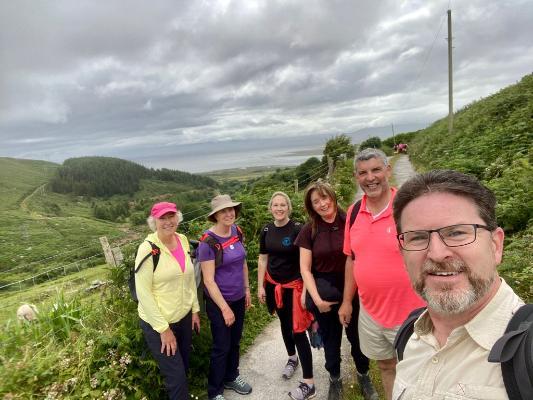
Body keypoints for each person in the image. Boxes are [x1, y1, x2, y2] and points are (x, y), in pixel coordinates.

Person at [391, 170, 525, 399]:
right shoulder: (410, 337)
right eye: (418, 237)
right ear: (403, 254)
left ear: (496, 245)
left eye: (456, 232)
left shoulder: (527, 354)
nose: (436, 253)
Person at [338, 148, 425, 400]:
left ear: (387, 170)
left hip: (411, 313)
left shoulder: (407, 208)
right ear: (356, 177)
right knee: (386, 366)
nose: (370, 177)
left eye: (376, 169)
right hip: (371, 313)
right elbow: (351, 259)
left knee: (417, 372)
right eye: (363, 173)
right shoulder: (353, 212)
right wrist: (346, 302)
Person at [295, 181, 378, 400]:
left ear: (332, 196)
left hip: (354, 288)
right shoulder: (308, 230)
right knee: (331, 340)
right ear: (311, 206)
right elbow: (305, 269)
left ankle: (363, 374)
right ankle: (335, 379)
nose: (322, 204)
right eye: (316, 201)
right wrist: (316, 300)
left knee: (357, 337)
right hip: (325, 292)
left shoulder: (351, 221)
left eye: (324, 197)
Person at [135, 202, 201, 400]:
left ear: (178, 217)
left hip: (184, 316)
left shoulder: (182, 240)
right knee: (176, 377)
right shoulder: (147, 249)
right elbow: (143, 294)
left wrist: (195, 310)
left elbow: (189, 279)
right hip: (159, 324)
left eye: (171, 216)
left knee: (184, 366)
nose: (168, 222)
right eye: (162, 218)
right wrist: (164, 330)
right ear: (153, 221)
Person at [257, 191, 315, 400]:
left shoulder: (299, 229)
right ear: (270, 208)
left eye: (283, 205)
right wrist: (260, 287)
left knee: (298, 330)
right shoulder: (266, 229)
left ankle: (308, 381)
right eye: (275, 205)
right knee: (283, 324)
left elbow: (307, 264)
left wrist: (306, 292)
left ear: (288, 208)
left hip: (295, 287)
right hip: (274, 286)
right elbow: (263, 259)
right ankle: (292, 359)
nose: (279, 208)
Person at [197, 194, 252, 400]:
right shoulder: (208, 242)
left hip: (238, 297)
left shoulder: (237, 231)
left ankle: (231, 376)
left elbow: (243, 262)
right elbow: (209, 281)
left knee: (235, 341)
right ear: (215, 216)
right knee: (221, 346)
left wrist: (247, 289)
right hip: (220, 303)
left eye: (231, 209)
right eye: (224, 211)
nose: (229, 213)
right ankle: (215, 391)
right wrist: (224, 308)